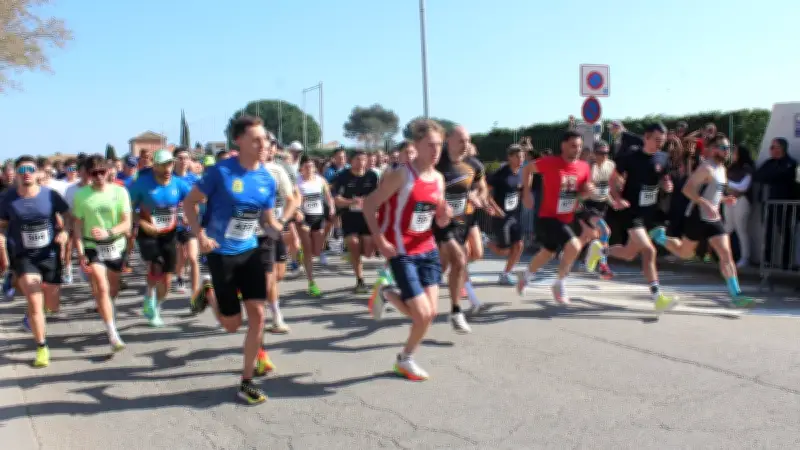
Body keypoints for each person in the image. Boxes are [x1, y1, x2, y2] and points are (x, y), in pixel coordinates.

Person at [183, 115, 282, 405]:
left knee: (259, 316)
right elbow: (190, 203)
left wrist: (280, 230)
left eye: (264, 138)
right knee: (231, 325)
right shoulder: (220, 172)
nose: (263, 143)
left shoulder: (266, 178)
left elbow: (266, 219)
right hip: (221, 253)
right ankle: (209, 292)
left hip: (250, 251)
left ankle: (246, 381)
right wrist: (200, 235)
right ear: (238, 141)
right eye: (256, 138)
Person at [363, 119, 450, 381]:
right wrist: (380, 240)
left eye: (439, 146)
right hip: (401, 251)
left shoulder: (439, 178)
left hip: (428, 248)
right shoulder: (401, 175)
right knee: (422, 315)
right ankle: (407, 359)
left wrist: (445, 216)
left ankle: (387, 294)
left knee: (429, 314)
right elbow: (369, 205)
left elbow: (438, 220)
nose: (435, 151)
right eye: (430, 145)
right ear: (417, 146)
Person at [649, 135, 755, 307]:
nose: (725, 151)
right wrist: (704, 203)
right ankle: (661, 238)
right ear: (712, 149)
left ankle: (736, 295)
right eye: (722, 147)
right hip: (697, 216)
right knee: (685, 253)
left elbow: (714, 195)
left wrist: (724, 200)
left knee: (726, 255)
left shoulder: (722, 169)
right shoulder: (706, 168)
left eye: (728, 148)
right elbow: (687, 190)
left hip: (714, 218)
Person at [0, 156, 70, 367]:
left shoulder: (50, 196)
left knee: (52, 304)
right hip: (23, 256)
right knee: (34, 298)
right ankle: (42, 347)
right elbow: (2, 224)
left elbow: (68, 215)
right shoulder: (7, 198)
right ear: (17, 174)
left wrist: (65, 232)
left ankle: (31, 314)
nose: (27, 173)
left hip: (49, 254)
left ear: (38, 172)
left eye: (31, 169)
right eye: (22, 170)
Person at [518, 131, 595, 304]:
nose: (577, 149)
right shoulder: (550, 162)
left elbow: (582, 194)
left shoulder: (584, 167)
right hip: (547, 216)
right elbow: (528, 169)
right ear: (563, 146)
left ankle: (525, 276)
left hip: (566, 218)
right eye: (573, 146)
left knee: (547, 253)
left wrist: (588, 192)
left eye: (580, 146)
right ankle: (559, 283)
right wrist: (527, 193)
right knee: (574, 244)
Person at [606, 123, 677, 312]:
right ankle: (657, 297)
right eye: (656, 140)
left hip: (649, 213)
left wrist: (667, 184)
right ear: (646, 137)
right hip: (631, 211)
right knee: (649, 250)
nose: (659, 144)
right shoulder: (630, 157)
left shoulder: (663, 157)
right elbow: (612, 180)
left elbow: (664, 177)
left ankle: (602, 252)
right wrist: (618, 198)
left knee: (629, 253)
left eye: (662, 141)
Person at [71, 155, 130, 352]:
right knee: (102, 286)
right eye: (93, 173)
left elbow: (127, 223)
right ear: (88, 174)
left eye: (101, 172)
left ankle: (108, 307)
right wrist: (80, 252)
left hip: (115, 245)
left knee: (112, 288)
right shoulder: (81, 196)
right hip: (92, 246)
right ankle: (112, 332)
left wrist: (109, 232)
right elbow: (77, 226)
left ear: (108, 171)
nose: (98, 176)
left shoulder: (120, 192)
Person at [128, 149, 192, 326]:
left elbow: (193, 200)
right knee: (156, 265)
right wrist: (141, 222)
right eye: (163, 165)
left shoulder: (178, 184)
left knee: (167, 278)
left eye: (169, 164)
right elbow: (127, 209)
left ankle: (156, 307)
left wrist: (188, 213)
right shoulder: (142, 184)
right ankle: (149, 294)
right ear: (154, 166)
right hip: (148, 232)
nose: (167, 168)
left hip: (169, 233)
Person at [434, 126, 488, 334]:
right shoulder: (437, 163)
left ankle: (396, 291)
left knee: (443, 266)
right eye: (461, 140)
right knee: (459, 259)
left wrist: (477, 195)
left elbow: (481, 187)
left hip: (462, 222)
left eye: (468, 140)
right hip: (438, 222)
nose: (465, 144)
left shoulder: (474, 164)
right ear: (449, 140)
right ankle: (456, 311)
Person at [258, 132, 298, 334]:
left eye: (270, 145)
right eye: (264, 144)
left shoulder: (278, 170)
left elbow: (293, 197)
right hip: (251, 232)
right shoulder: (240, 170)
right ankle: (275, 317)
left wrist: (283, 220)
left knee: (278, 274)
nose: (267, 149)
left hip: (275, 228)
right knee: (268, 276)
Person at [331, 150, 379, 293]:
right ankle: (360, 281)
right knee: (354, 244)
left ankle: (354, 254)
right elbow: (337, 200)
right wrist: (352, 201)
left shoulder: (372, 176)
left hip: (367, 218)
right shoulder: (343, 176)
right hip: (349, 217)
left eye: (364, 159)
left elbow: (378, 196)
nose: (361, 163)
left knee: (369, 252)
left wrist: (371, 205)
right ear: (351, 161)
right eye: (358, 159)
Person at [484, 144, 525, 285]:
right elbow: (485, 192)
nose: (521, 159)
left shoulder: (521, 173)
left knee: (519, 245)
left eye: (522, 156)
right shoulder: (500, 174)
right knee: (504, 251)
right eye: (518, 156)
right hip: (501, 217)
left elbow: (519, 190)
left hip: (514, 216)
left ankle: (506, 274)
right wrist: (495, 208)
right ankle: (485, 241)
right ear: (510, 157)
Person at [296, 154, 336, 297]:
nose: (309, 169)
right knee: (308, 251)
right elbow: (293, 199)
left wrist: (331, 208)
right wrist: (297, 210)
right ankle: (311, 282)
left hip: (318, 218)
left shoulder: (321, 180)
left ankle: (301, 254)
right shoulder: (297, 181)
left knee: (317, 251)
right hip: (304, 218)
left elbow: (328, 197)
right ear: (301, 168)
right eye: (306, 166)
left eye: (311, 166)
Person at [582, 140, 616, 279]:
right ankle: (603, 265)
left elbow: (606, 187)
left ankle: (573, 253)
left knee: (597, 237)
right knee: (605, 231)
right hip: (589, 204)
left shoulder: (610, 165)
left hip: (602, 205)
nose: (604, 156)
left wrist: (613, 202)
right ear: (594, 154)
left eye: (606, 153)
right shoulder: (589, 167)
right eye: (600, 153)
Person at [171, 146, 202, 294]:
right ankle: (179, 276)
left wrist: (192, 206)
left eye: (186, 158)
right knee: (181, 256)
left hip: (191, 221)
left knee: (193, 257)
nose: (183, 161)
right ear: (174, 160)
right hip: (172, 224)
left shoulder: (194, 179)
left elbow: (203, 198)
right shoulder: (169, 178)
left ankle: (195, 292)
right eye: (180, 158)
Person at [725, 144, 754, 267]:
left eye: (735, 152)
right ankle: (724, 255)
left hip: (742, 201)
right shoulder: (731, 167)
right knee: (727, 228)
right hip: (729, 200)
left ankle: (745, 258)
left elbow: (743, 187)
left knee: (741, 228)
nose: (733, 154)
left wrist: (728, 184)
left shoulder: (748, 168)